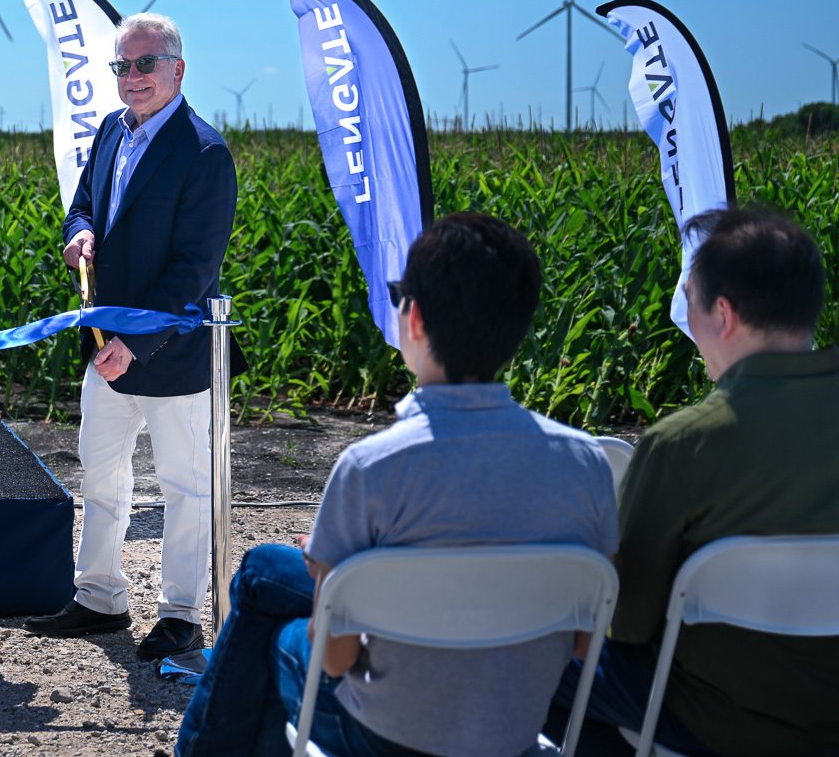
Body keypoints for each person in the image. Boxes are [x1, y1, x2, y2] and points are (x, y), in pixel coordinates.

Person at [176, 212, 618, 757]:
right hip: (512, 735)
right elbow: (580, 641)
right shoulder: (585, 464)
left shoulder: (370, 469)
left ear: (414, 319)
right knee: (270, 573)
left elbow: (336, 659)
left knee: (277, 624)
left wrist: (339, 592)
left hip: (382, 738)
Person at [544, 205, 839, 756]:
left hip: (719, 721)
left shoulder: (683, 444)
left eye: (690, 303)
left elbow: (625, 624)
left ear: (722, 315)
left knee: (541, 650)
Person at [23, 13, 238, 663]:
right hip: (103, 347)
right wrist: (77, 231)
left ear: (178, 68)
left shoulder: (205, 153)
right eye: (122, 65)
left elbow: (193, 270)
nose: (132, 77)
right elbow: (85, 202)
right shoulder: (110, 134)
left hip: (169, 353)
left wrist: (137, 344)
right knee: (102, 476)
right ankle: (101, 597)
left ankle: (179, 614)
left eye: (145, 64)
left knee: (184, 486)